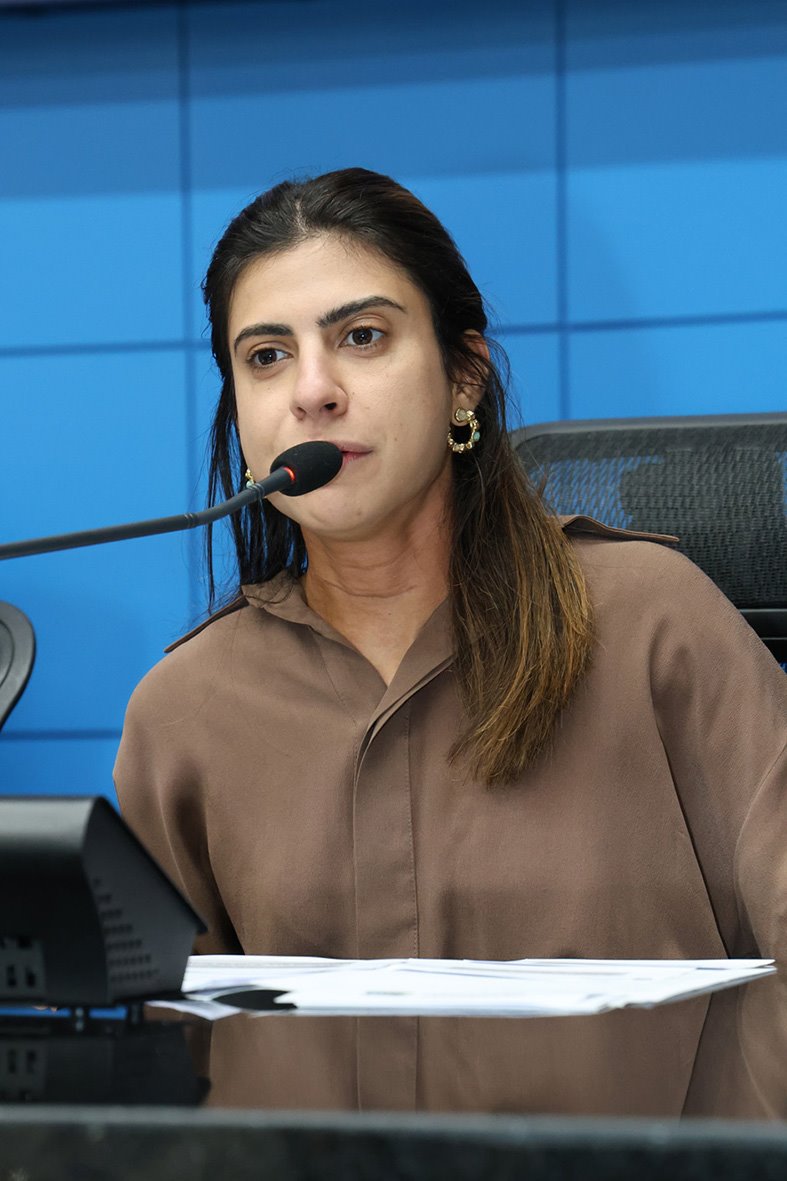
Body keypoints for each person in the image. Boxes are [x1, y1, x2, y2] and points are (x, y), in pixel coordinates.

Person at [114, 168, 787, 962]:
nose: (312, 391)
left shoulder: (654, 624)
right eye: (266, 355)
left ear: (463, 375)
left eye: (361, 337)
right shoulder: (184, 710)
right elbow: (156, 1024)